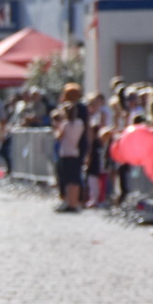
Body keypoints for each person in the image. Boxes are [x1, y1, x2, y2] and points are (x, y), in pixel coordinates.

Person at [51, 83, 89, 212]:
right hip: (78, 147)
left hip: (67, 148)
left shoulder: (66, 121)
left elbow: (59, 135)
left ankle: (68, 200)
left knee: (66, 176)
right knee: (76, 175)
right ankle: (76, 201)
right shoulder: (81, 116)